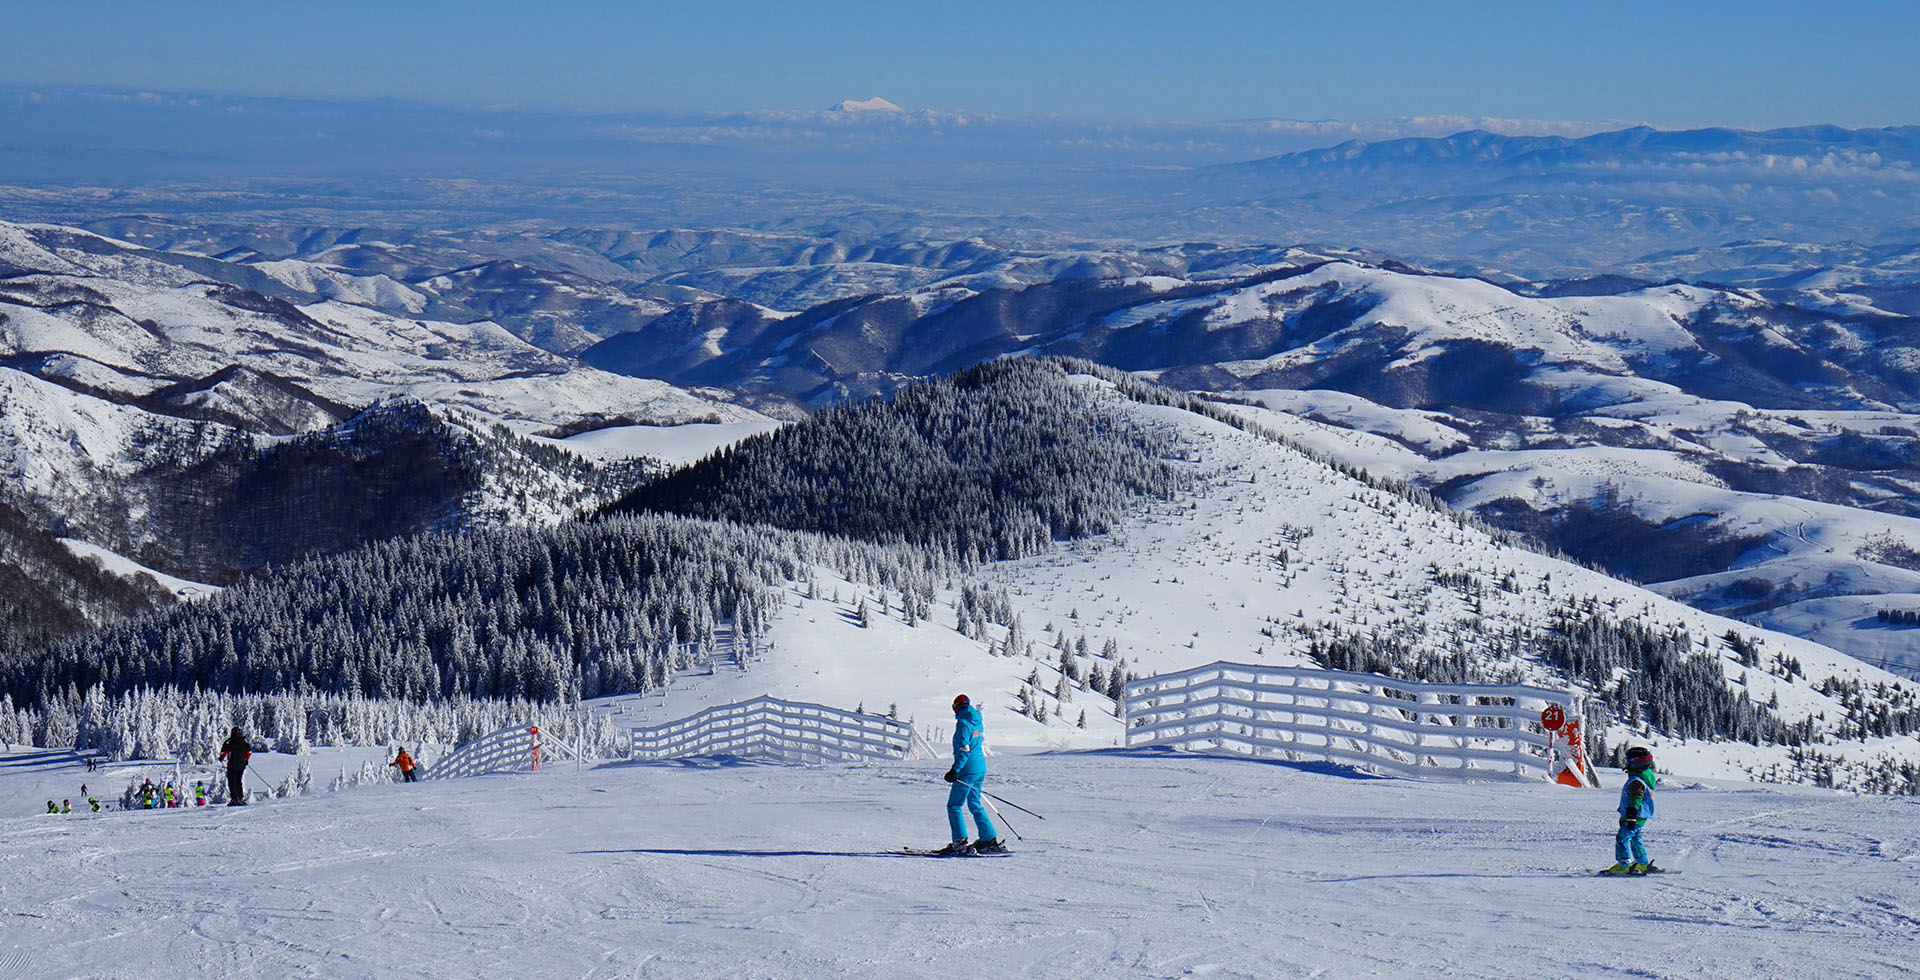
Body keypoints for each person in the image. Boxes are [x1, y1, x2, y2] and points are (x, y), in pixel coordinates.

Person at [938, 694, 1004, 855]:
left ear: (957, 707)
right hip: (980, 767)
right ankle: (988, 839)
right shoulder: (977, 721)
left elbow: (964, 750)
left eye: (954, 707)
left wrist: (955, 770)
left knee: (954, 806)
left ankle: (959, 843)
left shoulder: (963, 723)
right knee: (974, 803)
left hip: (967, 769)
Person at [1606, 745, 1659, 874]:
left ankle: (1624, 864)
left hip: (1635, 815)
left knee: (1622, 838)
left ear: (1636, 763)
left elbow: (1636, 799)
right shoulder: (1644, 777)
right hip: (1640, 816)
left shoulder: (1636, 781)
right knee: (1636, 838)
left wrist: (1630, 816)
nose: (1627, 764)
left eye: (1629, 761)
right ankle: (1642, 863)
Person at [218, 727, 252, 806]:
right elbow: (249, 751)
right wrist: (246, 759)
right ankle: (240, 798)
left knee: (232, 783)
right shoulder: (244, 741)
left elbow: (223, 752)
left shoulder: (230, 742)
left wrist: (221, 758)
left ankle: (235, 799)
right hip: (241, 765)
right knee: (238, 782)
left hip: (232, 765)